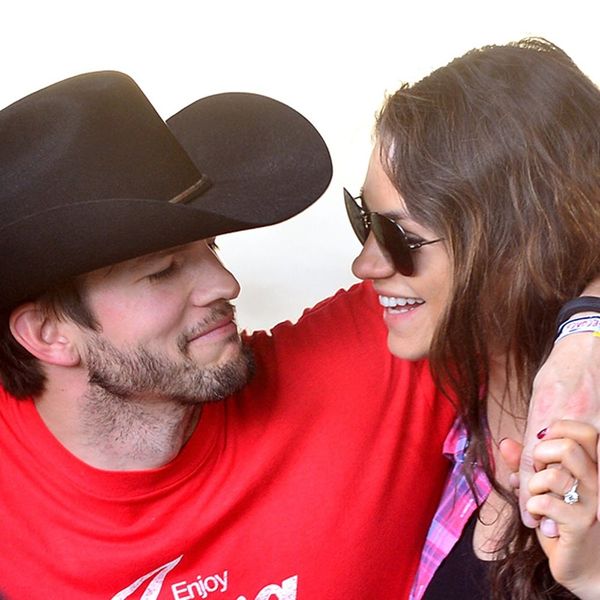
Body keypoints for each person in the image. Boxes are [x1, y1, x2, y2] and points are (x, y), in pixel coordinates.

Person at [0, 70, 458, 599]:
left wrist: (568, 341)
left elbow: (515, 235)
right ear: (47, 333)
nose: (226, 284)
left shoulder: (383, 354)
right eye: (163, 270)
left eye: (212, 248)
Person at [346, 38, 600, 599]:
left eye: (400, 236)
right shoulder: (461, 431)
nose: (365, 264)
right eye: (363, 220)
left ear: (523, 244)